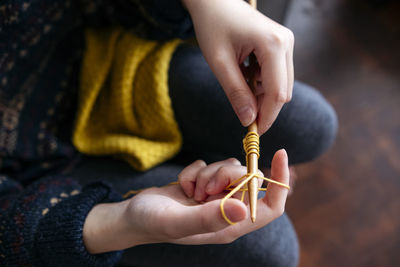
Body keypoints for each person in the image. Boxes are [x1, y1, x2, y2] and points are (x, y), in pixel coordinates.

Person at [0, 0, 337, 266]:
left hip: (100, 68)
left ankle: (202, 160)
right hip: (36, 185)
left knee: (314, 123)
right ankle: (199, 162)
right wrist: (119, 223)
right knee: (270, 246)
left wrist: (206, 3)